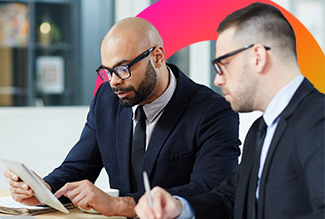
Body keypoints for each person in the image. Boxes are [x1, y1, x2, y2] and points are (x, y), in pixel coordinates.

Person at [4, 17, 240, 218]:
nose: (114, 81)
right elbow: (79, 166)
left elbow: (213, 191)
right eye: (107, 71)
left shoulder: (212, 110)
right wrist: (44, 188)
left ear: (157, 57)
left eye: (123, 68)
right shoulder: (107, 99)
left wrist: (119, 205)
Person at [134, 2, 325, 219]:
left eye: (222, 64)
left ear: (257, 57)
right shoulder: (260, 130)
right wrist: (179, 207)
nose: (217, 79)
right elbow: (230, 198)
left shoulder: (319, 121)